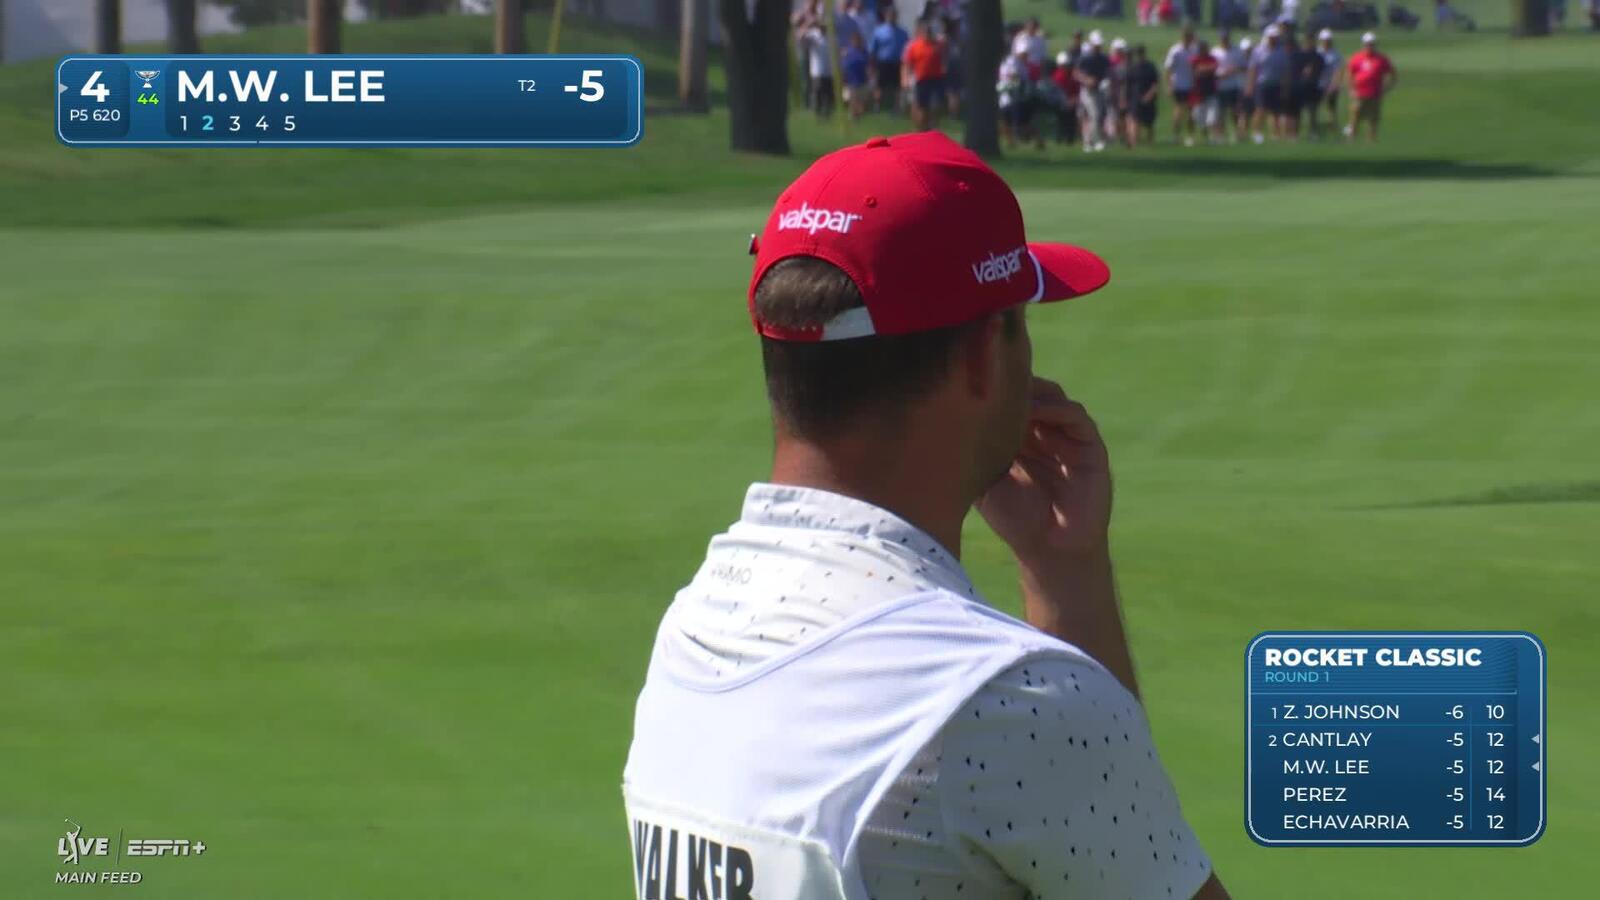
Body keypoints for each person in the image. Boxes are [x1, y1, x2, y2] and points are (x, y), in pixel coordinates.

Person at [623, 128, 1231, 900]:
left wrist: (1060, 568)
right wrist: (1067, 585)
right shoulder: (1005, 700)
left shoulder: (689, 634)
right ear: (983, 354)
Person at [1345, 31, 1396, 141]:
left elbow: (1392, 74)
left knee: (1373, 118)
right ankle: (1352, 137)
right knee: (1355, 115)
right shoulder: (1357, 58)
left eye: (1371, 44)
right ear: (1363, 44)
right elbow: (1349, 74)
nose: (1369, 46)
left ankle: (1371, 138)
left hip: (1375, 93)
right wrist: (1351, 89)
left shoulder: (1381, 59)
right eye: (1367, 44)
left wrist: (1386, 88)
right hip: (1359, 93)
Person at [1246, 23, 1289, 143]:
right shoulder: (1258, 50)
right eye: (1272, 36)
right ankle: (1256, 133)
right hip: (1262, 84)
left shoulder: (1281, 51)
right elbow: (1253, 69)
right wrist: (1250, 85)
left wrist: (1285, 87)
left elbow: (1285, 70)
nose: (1274, 38)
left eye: (1275, 36)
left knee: (1275, 111)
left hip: (1276, 84)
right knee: (1260, 109)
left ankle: (1275, 134)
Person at [902, 20, 947, 131]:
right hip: (922, 80)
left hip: (936, 79)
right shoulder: (914, 46)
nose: (928, 34)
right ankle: (922, 129)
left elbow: (945, 58)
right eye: (926, 32)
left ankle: (934, 127)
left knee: (936, 105)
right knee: (922, 108)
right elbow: (907, 64)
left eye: (930, 32)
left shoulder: (938, 45)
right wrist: (905, 78)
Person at [1075, 30, 1112, 152]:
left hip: (1100, 90)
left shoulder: (1103, 58)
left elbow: (1109, 72)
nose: (1098, 47)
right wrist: (1086, 80)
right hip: (1088, 91)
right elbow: (1076, 73)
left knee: (1098, 117)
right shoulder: (1085, 58)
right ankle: (1096, 141)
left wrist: (1107, 82)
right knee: (1094, 115)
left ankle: (1089, 142)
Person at [869, 7, 910, 112]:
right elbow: (873, 49)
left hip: (897, 63)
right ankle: (877, 105)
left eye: (894, 15)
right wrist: (872, 65)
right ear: (886, 16)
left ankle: (896, 107)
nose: (892, 17)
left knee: (897, 86)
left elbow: (907, 49)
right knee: (879, 85)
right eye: (890, 15)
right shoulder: (879, 31)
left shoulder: (903, 33)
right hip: (883, 62)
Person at [1163, 27, 1198, 145]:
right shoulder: (1176, 51)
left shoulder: (1194, 50)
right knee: (1178, 111)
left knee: (1191, 112)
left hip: (1191, 84)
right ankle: (1176, 135)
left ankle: (1190, 136)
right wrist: (1170, 85)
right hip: (1179, 84)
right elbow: (1168, 68)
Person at [1213, 31, 1247, 143]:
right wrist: (1219, 74)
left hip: (1234, 85)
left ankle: (1237, 134)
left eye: (1226, 38)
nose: (1224, 40)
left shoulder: (1237, 51)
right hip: (1220, 86)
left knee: (1235, 111)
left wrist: (1233, 70)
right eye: (1223, 38)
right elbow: (1212, 68)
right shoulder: (1215, 52)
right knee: (1220, 112)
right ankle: (1220, 135)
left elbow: (1244, 67)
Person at [1128, 44, 1162, 147]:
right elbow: (1129, 84)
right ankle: (1133, 142)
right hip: (1135, 97)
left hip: (1149, 97)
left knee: (1149, 122)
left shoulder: (1150, 67)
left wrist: (1150, 95)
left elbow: (1155, 83)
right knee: (1134, 120)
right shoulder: (1133, 67)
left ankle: (1150, 142)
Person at [802, 21, 836, 119]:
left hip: (829, 71)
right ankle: (817, 113)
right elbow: (802, 38)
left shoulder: (831, 37)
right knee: (818, 93)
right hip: (817, 71)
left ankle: (827, 113)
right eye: (821, 25)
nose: (823, 27)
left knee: (828, 94)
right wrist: (807, 25)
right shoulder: (813, 35)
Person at [1314, 28, 1343, 138]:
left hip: (1331, 84)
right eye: (1324, 40)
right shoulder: (1317, 52)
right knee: (1315, 107)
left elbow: (1338, 70)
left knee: (1331, 108)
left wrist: (1335, 85)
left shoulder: (1335, 54)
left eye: (1328, 39)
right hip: (1318, 84)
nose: (1326, 41)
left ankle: (1332, 127)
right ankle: (1315, 127)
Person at [1191, 39, 1222, 142]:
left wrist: (1203, 70)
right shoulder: (1195, 59)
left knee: (1212, 118)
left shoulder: (1212, 58)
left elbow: (1213, 67)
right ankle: (1200, 137)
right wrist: (1205, 70)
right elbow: (1196, 71)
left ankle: (1215, 137)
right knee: (1198, 117)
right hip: (1198, 93)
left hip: (1211, 91)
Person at [842, 31, 871, 120]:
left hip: (862, 79)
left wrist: (869, 76)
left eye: (858, 40)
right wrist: (844, 78)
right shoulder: (848, 52)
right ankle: (853, 116)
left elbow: (869, 65)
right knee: (852, 99)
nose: (857, 42)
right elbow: (844, 66)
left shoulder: (864, 52)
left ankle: (858, 115)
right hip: (851, 80)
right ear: (852, 41)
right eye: (855, 40)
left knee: (862, 101)